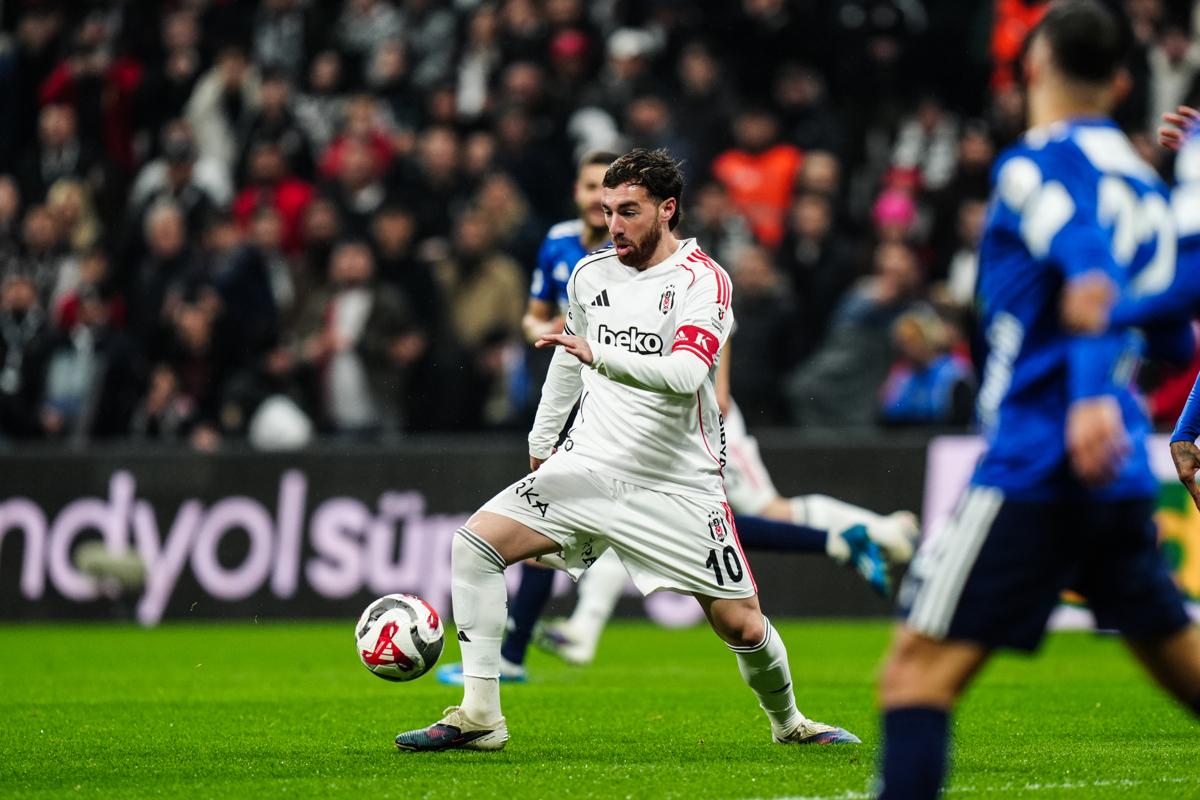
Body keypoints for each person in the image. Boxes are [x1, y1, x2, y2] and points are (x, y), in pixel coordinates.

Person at [393, 148, 860, 751]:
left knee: (742, 625)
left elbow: (686, 375)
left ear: (667, 210)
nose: (613, 224)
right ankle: (480, 715)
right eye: (608, 210)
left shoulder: (704, 280)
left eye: (629, 211)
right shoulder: (590, 274)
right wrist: (542, 440)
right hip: (588, 466)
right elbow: (567, 357)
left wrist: (602, 355)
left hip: (677, 484)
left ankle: (790, 722)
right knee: (475, 545)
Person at [877, 4, 1200, 798]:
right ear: (1120, 83)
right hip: (1118, 464)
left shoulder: (1035, 162)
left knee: (915, 675)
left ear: (1031, 68)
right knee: (1181, 664)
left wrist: (1086, 394)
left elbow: (1088, 270)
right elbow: (1175, 338)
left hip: (1041, 456)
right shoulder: (1144, 183)